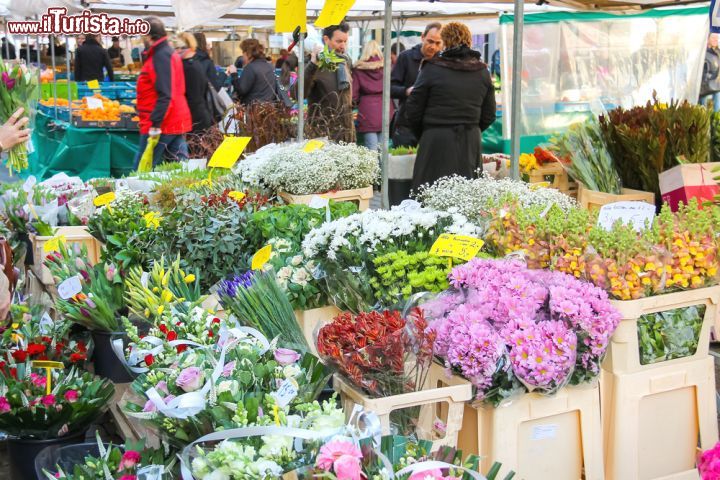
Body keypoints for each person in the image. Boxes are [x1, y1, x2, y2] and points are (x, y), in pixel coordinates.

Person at [404, 22, 496, 190]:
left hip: (436, 140)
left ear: (444, 42)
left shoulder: (431, 68)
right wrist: (470, 128)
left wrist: (426, 134)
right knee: (467, 199)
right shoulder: (482, 71)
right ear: (469, 42)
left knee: (431, 197)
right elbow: (489, 115)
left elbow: (413, 110)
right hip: (469, 141)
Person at [134, 17, 191, 168]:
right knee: (181, 169)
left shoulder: (160, 56)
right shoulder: (167, 53)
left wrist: (155, 124)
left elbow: (165, 93)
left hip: (162, 123)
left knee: (141, 171)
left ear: (148, 36)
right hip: (174, 119)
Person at [390, 22, 443, 146]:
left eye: (437, 43)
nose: (433, 47)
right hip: (406, 126)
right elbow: (390, 89)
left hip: (433, 125)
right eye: (430, 41)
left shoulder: (443, 62)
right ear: (422, 37)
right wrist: (406, 91)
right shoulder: (405, 57)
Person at [305, 22, 355, 143]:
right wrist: (312, 65)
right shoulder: (316, 64)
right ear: (326, 39)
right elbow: (297, 94)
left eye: (345, 41)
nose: (343, 46)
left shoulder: (345, 62)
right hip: (322, 135)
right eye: (339, 41)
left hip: (346, 133)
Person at [352, 40, 393, 151]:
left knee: (371, 149)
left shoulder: (358, 69)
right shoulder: (386, 68)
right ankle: (383, 169)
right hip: (384, 109)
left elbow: (353, 95)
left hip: (367, 111)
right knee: (383, 149)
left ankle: (374, 169)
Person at [173, 33, 212, 133]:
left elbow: (193, 98)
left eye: (178, 48)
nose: (176, 51)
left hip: (195, 119)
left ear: (187, 47)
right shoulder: (195, 62)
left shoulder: (189, 67)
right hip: (198, 116)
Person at [226, 39, 277, 105]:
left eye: (243, 52)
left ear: (246, 53)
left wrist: (234, 74)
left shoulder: (250, 68)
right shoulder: (270, 66)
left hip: (253, 111)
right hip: (269, 110)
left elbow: (241, 91)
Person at [701, 34, 720, 112]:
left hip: (716, 83)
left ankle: (716, 122)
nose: (716, 39)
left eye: (717, 38)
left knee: (717, 106)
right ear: (707, 38)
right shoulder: (702, 51)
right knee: (702, 107)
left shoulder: (718, 51)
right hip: (704, 84)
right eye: (713, 37)